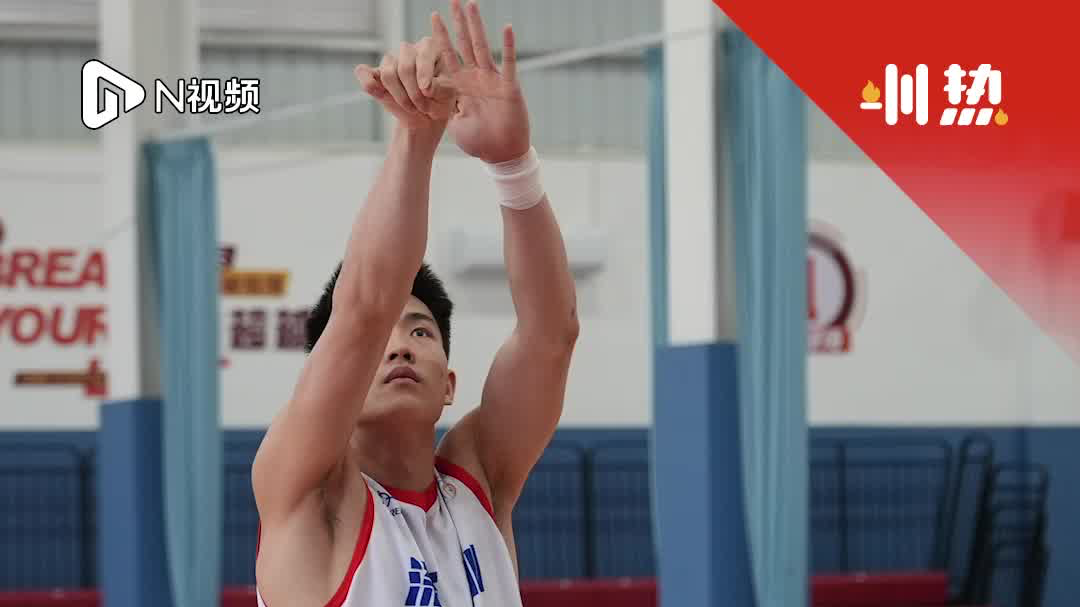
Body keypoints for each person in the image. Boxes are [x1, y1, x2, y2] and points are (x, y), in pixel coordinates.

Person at [250, 1, 579, 605]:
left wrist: (513, 166)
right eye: (385, 339)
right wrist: (416, 132)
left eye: (422, 332)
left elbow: (550, 336)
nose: (400, 345)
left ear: (449, 385)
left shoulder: (479, 481)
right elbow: (363, 311)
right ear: (337, 380)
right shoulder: (308, 495)